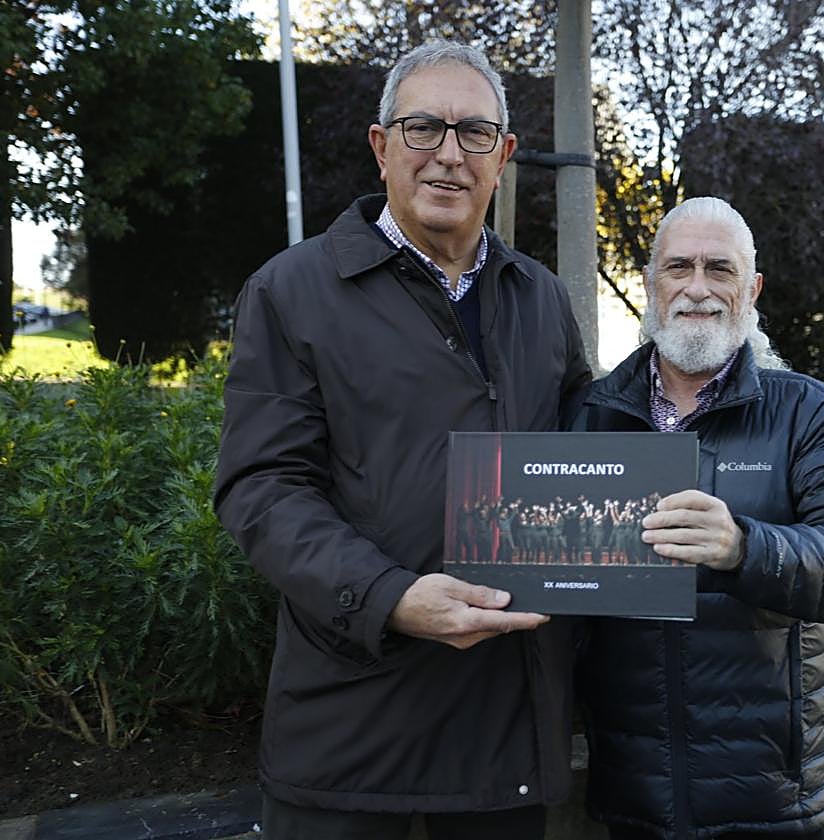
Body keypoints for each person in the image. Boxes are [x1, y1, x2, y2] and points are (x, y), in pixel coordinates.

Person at [214, 40, 591, 840]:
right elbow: (262, 488)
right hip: (352, 742)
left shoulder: (543, 300)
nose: (448, 155)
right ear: (383, 148)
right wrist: (389, 597)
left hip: (504, 741)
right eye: (424, 129)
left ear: (505, 157)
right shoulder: (292, 292)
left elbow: (585, 455)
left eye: (474, 134)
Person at [572, 197, 824, 839]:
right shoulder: (592, 414)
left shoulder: (810, 412)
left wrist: (746, 547)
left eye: (719, 269)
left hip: (769, 796)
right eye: (679, 268)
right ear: (650, 283)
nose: (697, 289)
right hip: (632, 792)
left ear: (751, 289)